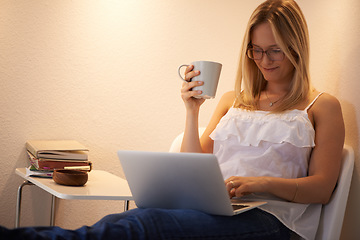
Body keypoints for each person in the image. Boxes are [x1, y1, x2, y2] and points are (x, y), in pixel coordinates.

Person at [1, 0, 344, 239]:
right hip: (218, 210)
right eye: (255, 50)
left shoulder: (320, 106)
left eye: (275, 50)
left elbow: (323, 187)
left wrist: (259, 183)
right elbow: (194, 168)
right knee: (130, 221)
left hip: (271, 221)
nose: (263, 60)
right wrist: (192, 111)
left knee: (142, 226)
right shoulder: (232, 101)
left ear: (297, 46)